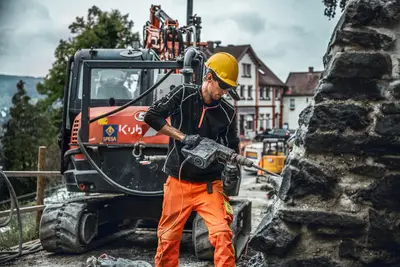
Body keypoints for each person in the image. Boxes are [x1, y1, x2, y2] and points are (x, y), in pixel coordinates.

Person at [144, 52, 241, 267]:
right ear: (209, 77)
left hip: (209, 185)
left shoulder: (227, 112)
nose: (223, 92)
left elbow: (232, 146)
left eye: (228, 88)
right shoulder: (184, 94)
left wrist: (227, 160)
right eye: (221, 85)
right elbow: (151, 116)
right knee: (168, 238)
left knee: (223, 234)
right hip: (178, 181)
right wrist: (183, 137)